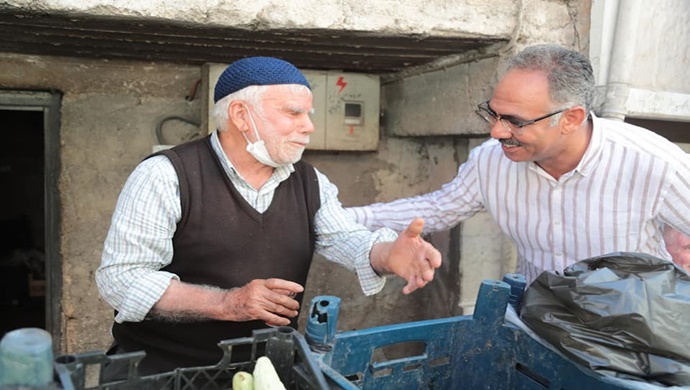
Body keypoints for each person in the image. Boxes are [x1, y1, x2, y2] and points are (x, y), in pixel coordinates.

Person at [95, 56, 441, 377]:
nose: (308, 127)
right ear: (241, 115)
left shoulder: (308, 181)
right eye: (293, 113)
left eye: (309, 114)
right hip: (165, 372)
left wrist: (386, 254)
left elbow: (346, 239)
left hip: (262, 373)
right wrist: (228, 303)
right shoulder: (165, 175)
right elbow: (121, 279)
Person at [348, 44, 690, 284]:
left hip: (631, 334)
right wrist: (340, 219)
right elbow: (435, 209)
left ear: (570, 118)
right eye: (493, 114)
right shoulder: (490, 161)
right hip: (539, 322)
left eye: (515, 120)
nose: (497, 131)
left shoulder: (652, 163)